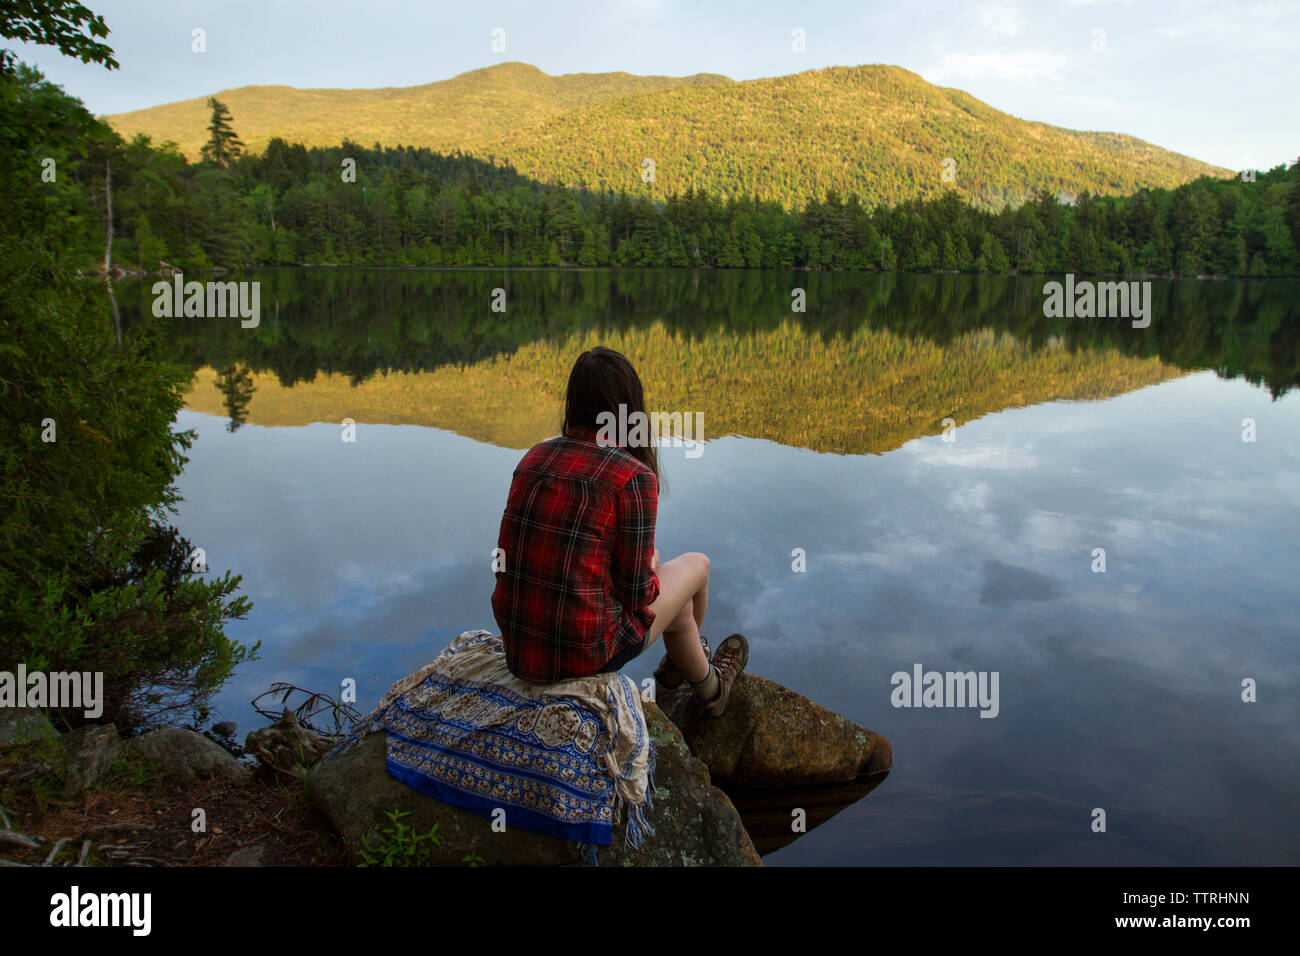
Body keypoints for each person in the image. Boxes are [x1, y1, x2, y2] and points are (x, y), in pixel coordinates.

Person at [491, 346, 748, 715]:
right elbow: (638, 595)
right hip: (581, 653)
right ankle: (709, 687)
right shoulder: (632, 477)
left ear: (574, 403)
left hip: (519, 645)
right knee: (698, 566)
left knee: (676, 608)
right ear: (630, 409)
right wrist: (651, 565)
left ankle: (687, 670)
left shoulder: (533, 457)